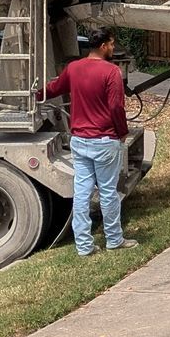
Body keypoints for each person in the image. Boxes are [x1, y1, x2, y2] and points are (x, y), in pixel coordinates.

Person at [41, 28, 138, 255]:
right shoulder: (111, 72)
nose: (113, 48)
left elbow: (54, 88)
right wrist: (122, 131)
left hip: (80, 140)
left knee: (82, 193)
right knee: (108, 193)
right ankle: (114, 240)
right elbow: (116, 106)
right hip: (105, 141)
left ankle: (84, 246)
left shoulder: (73, 68)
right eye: (112, 44)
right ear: (103, 45)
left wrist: (35, 94)